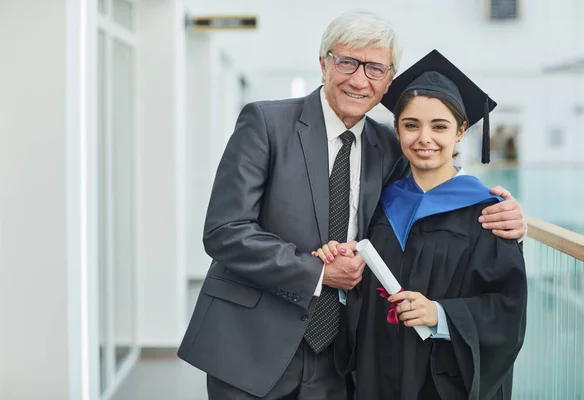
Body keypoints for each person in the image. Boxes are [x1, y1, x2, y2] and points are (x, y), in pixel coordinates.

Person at [177, 11, 526, 400]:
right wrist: (317, 272)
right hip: (253, 343)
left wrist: (512, 217)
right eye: (347, 62)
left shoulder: (390, 146)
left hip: (339, 355)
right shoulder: (266, 122)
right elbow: (225, 230)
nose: (360, 80)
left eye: (375, 68)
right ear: (323, 63)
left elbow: (432, 184)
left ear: (389, 79)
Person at [314, 50, 527, 399]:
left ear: (460, 132)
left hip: (441, 379)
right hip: (375, 369)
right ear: (397, 131)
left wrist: (441, 314)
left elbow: (507, 309)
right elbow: (365, 288)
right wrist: (343, 264)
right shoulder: (380, 202)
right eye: (411, 125)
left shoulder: (487, 212)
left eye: (439, 126)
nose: (424, 138)